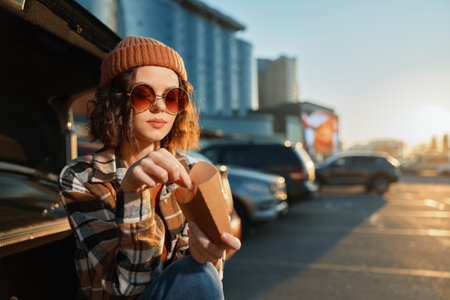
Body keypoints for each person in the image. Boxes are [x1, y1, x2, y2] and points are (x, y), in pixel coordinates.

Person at [58, 36, 241, 300]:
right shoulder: (82, 177)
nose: (159, 106)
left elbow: (205, 282)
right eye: (143, 94)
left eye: (172, 97)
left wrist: (207, 258)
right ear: (115, 101)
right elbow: (129, 287)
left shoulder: (191, 170)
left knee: (201, 274)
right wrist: (132, 192)